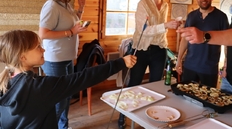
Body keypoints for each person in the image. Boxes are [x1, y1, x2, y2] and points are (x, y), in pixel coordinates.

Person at [0, 30, 137, 129]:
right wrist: (121, 63)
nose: (43, 50)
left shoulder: (5, 82)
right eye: (38, 47)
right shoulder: (40, 88)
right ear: (22, 57)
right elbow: (84, 78)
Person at [118, 0, 180, 129]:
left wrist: (169, 33)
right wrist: (165, 25)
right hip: (142, 50)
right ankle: (122, 116)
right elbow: (143, 30)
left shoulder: (165, 6)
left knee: (156, 86)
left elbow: (160, 32)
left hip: (159, 50)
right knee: (134, 84)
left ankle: (151, 118)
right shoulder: (143, 4)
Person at [38, 0, 87, 129]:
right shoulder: (51, 6)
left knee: (65, 97)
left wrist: (81, 9)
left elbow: (72, 24)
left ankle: (63, 127)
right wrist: (72, 32)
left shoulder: (65, 4)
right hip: (55, 60)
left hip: (66, 58)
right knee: (59, 101)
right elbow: (43, 34)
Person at [176, 0, 229, 87]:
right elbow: (184, 39)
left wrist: (226, 66)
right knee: (186, 97)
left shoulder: (221, 17)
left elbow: (227, 43)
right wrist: (179, 60)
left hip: (209, 69)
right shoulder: (191, 16)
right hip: (189, 66)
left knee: (207, 99)